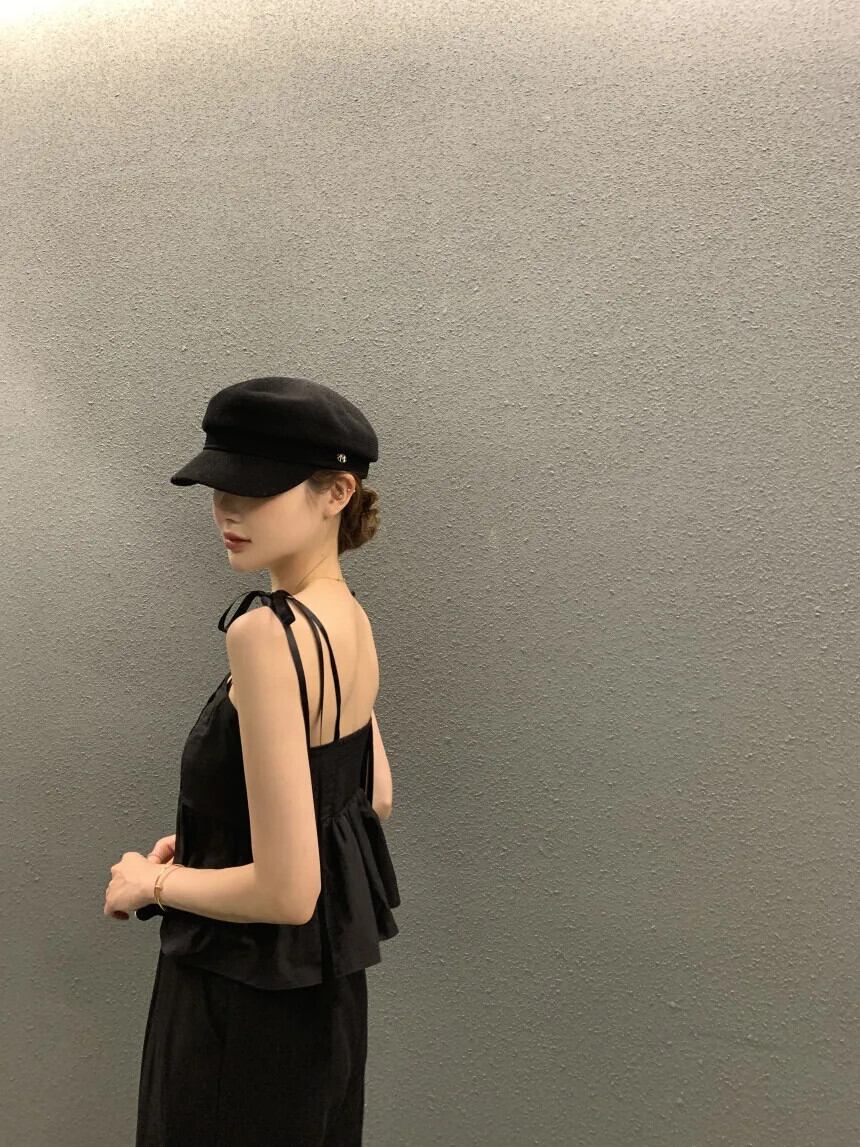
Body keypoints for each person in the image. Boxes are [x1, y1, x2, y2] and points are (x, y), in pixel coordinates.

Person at [104, 375, 401, 1145]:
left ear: (337, 491)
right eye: (219, 487)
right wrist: (216, 844)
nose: (228, 511)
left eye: (256, 488)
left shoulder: (266, 634)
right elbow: (369, 798)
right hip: (322, 1008)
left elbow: (288, 890)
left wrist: (150, 881)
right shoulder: (349, 620)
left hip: (240, 1010)